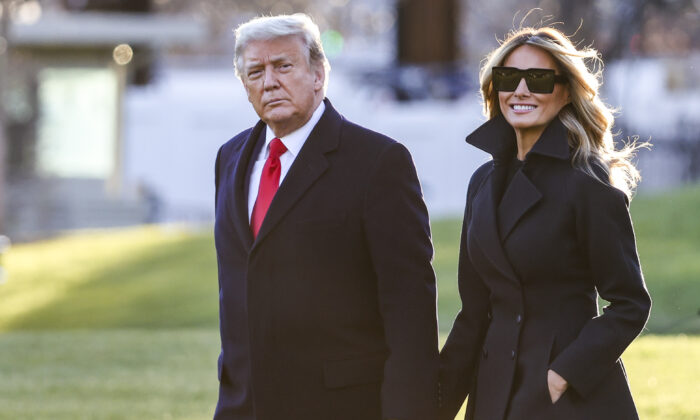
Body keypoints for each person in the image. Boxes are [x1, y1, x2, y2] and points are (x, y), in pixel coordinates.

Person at [213, 13, 439, 420]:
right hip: (242, 406)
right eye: (255, 72)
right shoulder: (229, 159)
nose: (269, 81)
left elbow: (411, 314)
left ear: (318, 74)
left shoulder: (379, 163)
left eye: (284, 66)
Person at [439, 26, 652, 420]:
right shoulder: (481, 184)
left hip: (566, 400)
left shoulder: (587, 182)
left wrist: (563, 374)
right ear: (494, 88)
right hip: (493, 395)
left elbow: (630, 303)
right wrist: (435, 405)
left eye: (537, 78)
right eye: (508, 77)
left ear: (566, 91)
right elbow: (474, 313)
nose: (520, 90)